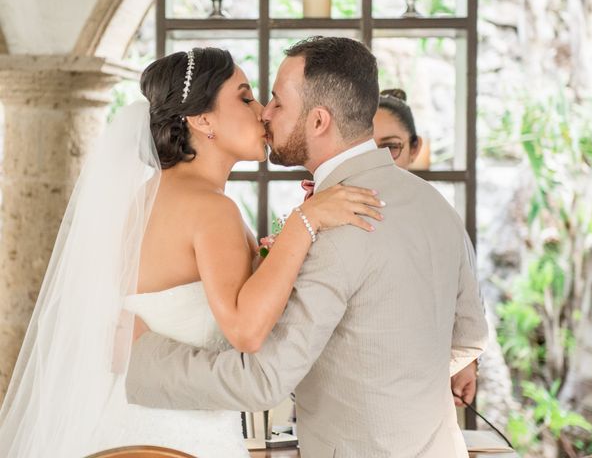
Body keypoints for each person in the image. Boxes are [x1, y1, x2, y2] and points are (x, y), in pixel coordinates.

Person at [0, 47, 384, 458]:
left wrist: (268, 263)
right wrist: (303, 224)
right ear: (202, 120)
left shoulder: (148, 198)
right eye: (245, 96)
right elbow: (246, 331)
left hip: (119, 430)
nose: (262, 112)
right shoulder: (209, 208)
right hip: (176, 438)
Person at [126, 36, 489, 458]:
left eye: (276, 102)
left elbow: (263, 380)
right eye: (252, 99)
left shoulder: (336, 222)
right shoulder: (433, 204)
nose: (265, 112)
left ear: (318, 122)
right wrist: (401, 381)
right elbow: (471, 334)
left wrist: (137, 358)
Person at [373, 88, 480, 408]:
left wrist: (465, 363)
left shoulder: (439, 217)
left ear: (415, 148)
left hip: (420, 389)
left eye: (390, 147)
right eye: (366, 147)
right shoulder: (328, 211)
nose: (379, 159)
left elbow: (468, 297)